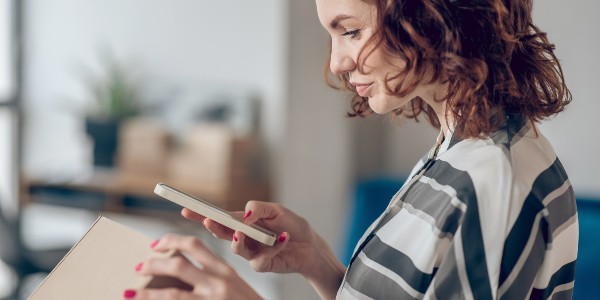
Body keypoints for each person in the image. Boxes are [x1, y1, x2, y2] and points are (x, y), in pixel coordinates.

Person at [123, 0, 578, 299]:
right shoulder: (459, 147)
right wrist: (319, 264)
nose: (337, 63)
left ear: (429, 16)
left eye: (351, 31)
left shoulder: (491, 182)